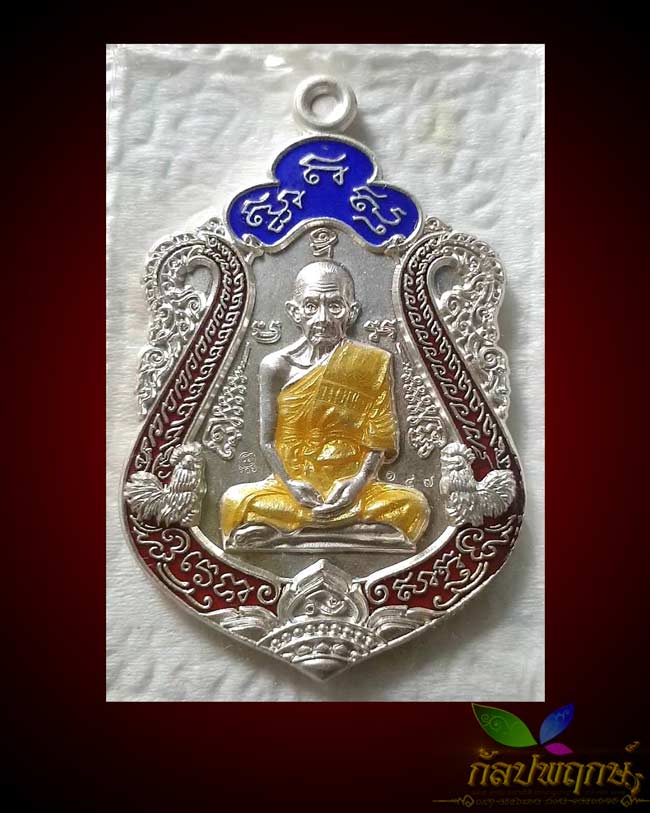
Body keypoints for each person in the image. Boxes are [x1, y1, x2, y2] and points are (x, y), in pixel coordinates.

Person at [220, 260, 430, 547]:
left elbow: (381, 437)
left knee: (414, 506)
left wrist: (359, 482)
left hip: (354, 488)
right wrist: (290, 484)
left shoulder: (372, 362)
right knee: (234, 501)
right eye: (310, 306)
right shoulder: (276, 366)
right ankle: (357, 534)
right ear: (294, 311)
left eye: (334, 306)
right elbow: (267, 441)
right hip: (292, 489)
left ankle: (292, 534)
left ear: (351, 311)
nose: (322, 318)